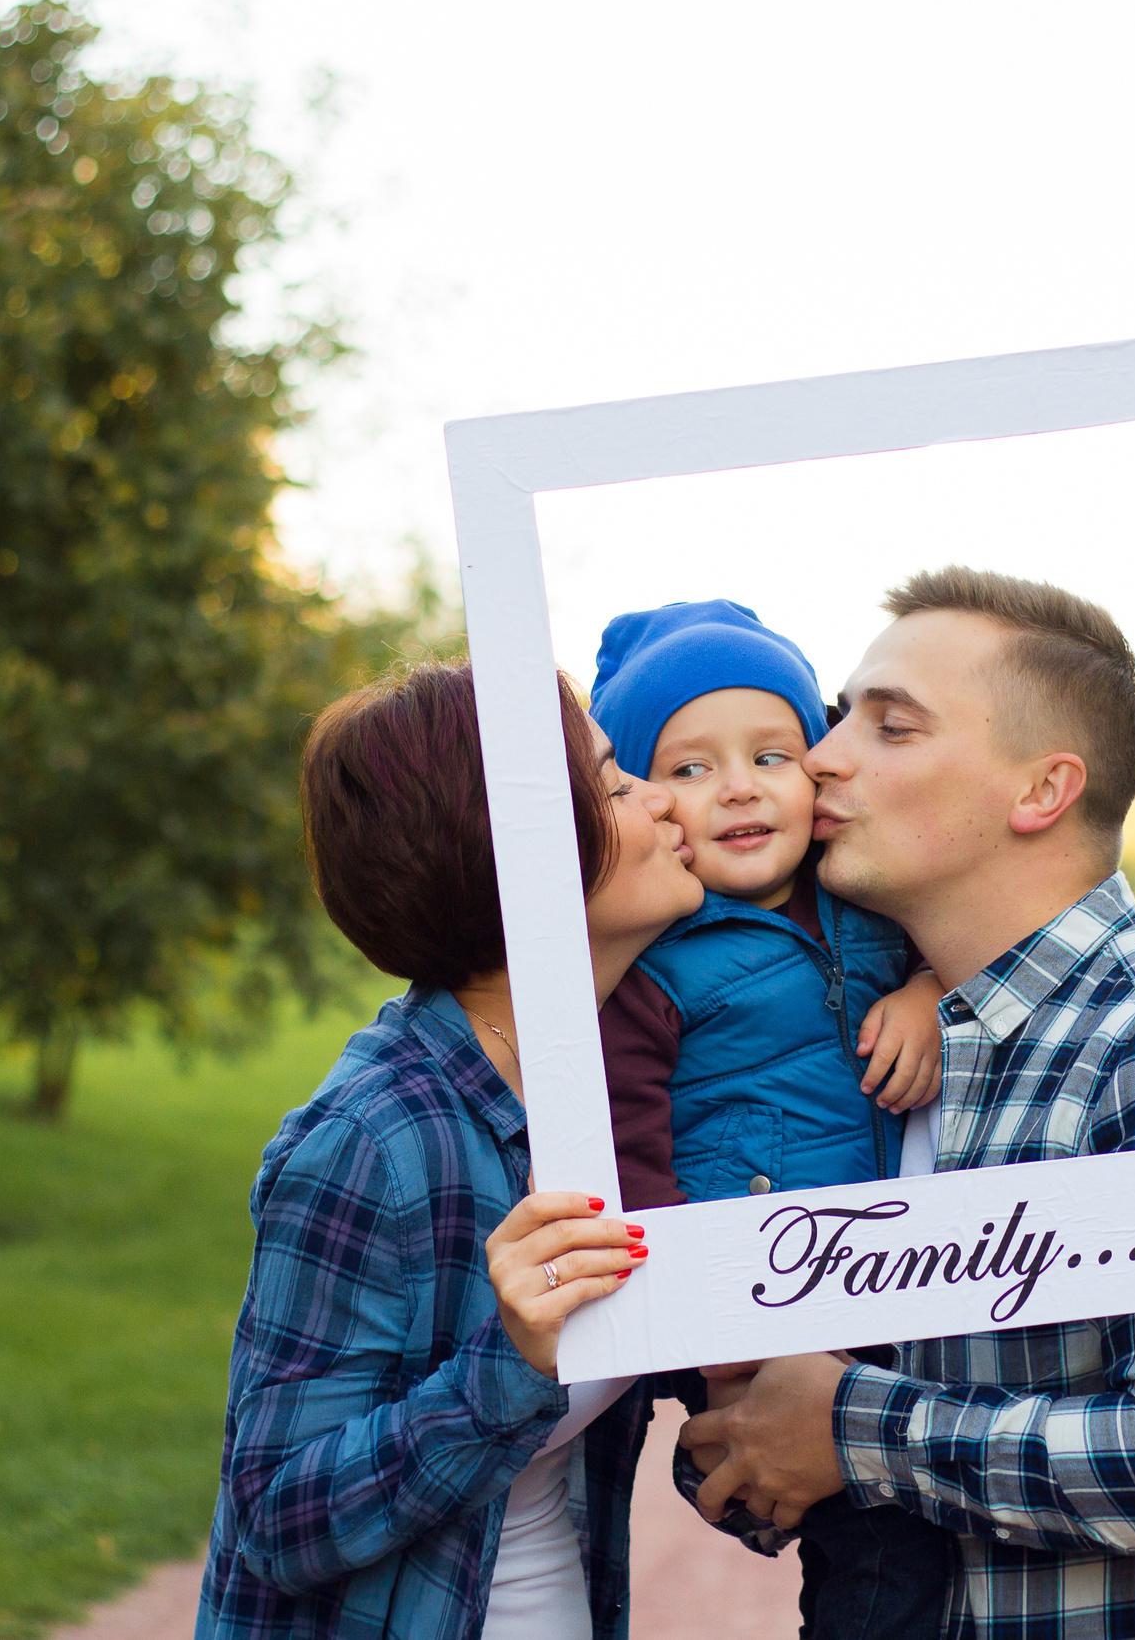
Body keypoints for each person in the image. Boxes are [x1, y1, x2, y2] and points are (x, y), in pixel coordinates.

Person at [679, 568, 1135, 1640]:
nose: (824, 755)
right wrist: (751, 1434)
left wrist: (849, 1427)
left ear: (1040, 791)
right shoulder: (875, 1045)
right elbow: (800, 1440)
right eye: (839, 715)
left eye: (889, 728)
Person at [195, 660, 705, 1640]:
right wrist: (508, 1365)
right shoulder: (373, 1140)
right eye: (614, 781)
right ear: (518, 851)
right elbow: (277, 1515)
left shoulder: (606, 1094)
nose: (659, 797)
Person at [585, 599, 957, 1640]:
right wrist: (708, 1346)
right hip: (769, 1314)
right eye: (689, 769)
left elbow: (976, 942)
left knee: (934, 1554)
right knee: (879, 1578)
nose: (738, 787)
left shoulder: (871, 900)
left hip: (904, 1297)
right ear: (645, 804)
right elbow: (629, 1160)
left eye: (771, 754)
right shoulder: (654, 958)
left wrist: (927, 988)